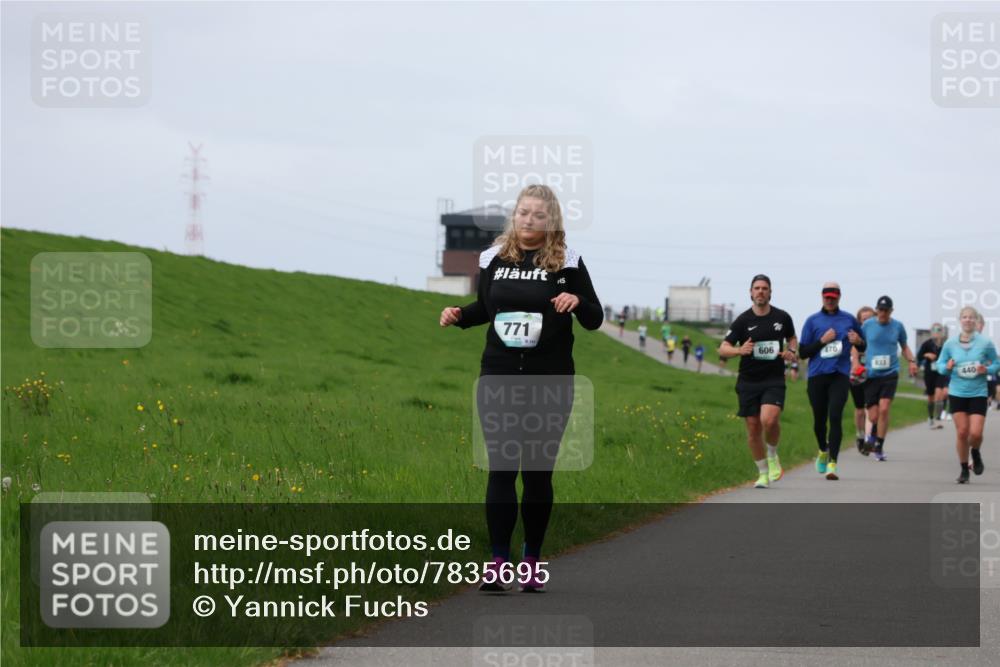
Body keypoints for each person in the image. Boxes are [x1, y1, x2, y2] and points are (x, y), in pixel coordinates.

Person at [439, 184, 603, 592]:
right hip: (499, 375)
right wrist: (459, 315)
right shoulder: (493, 258)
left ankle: (530, 560)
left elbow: (595, 317)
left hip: (550, 380)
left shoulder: (568, 262)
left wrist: (576, 301)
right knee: (501, 468)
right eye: (524, 213)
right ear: (515, 216)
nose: (529, 221)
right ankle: (497, 561)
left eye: (539, 216)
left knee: (536, 473)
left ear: (552, 223)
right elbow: (487, 309)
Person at [719, 274, 798, 489]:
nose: (760, 291)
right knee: (753, 429)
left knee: (769, 420)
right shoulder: (743, 320)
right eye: (757, 288)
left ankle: (772, 455)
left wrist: (791, 350)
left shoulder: (782, 317)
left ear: (770, 292)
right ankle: (763, 473)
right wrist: (738, 350)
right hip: (748, 380)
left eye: (764, 288)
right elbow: (723, 347)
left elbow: (792, 337)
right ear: (750, 292)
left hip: (773, 379)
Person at [798, 283, 866, 480]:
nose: (830, 300)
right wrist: (822, 341)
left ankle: (833, 464)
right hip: (817, 376)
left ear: (839, 297)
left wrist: (858, 341)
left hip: (839, 375)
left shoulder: (849, 319)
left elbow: (863, 345)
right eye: (827, 297)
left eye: (833, 297)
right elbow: (803, 353)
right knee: (819, 421)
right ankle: (822, 449)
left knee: (835, 415)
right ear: (822, 297)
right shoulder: (812, 321)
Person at [937, 306, 999, 483]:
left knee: (976, 434)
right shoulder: (950, 344)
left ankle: (976, 452)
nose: (968, 320)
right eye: (965, 317)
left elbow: (997, 363)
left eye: (971, 317)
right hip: (957, 392)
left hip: (978, 392)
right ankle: (964, 469)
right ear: (960, 320)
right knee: (963, 432)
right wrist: (946, 368)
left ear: (976, 321)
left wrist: (986, 369)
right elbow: (941, 365)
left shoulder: (985, 343)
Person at [861, 295, 918, 462]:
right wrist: (855, 362)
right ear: (876, 310)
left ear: (891, 311)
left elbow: (905, 347)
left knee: (884, 409)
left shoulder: (898, 326)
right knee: (873, 416)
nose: (883, 313)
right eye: (880, 310)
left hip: (890, 373)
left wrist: (912, 361)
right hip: (871, 374)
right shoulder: (867, 325)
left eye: (886, 310)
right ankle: (872, 435)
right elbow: (858, 345)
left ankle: (879, 444)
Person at [850, 306, 876, 454]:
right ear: (859, 321)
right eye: (864, 319)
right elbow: (853, 349)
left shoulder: (877, 333)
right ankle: (860, 435)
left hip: (873, 374)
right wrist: (856, 364)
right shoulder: (856, 334)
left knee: (871, 407)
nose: (867, 321)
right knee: (860, 409)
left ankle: (870, 439)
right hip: (857, 374)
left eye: (870, 318)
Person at [917, 324, 947, 429]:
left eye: (939, 330)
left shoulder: (945, 344)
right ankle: (930, 417)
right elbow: (919, 356)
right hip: (929, 372)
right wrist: (927, 355)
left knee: (939, 394)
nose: (936, 331)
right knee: (931, 397)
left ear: (942, 332)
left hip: (941, 372)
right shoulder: (927, 344)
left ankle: (938, 418)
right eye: (934, 330)